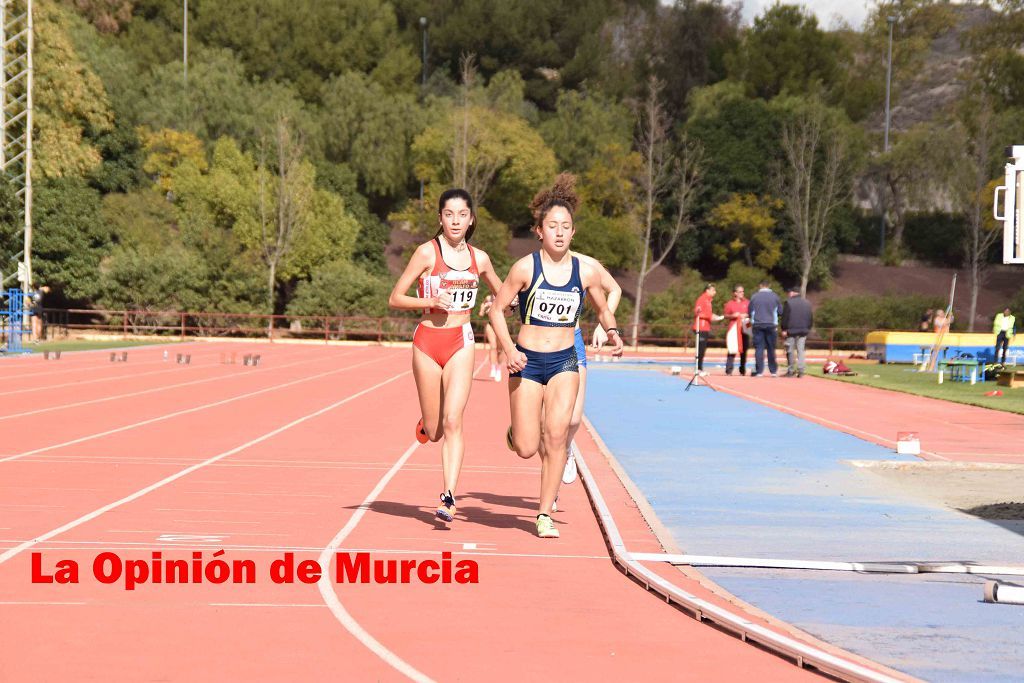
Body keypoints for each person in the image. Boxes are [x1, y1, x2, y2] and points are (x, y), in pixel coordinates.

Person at [489, 174, 623, 538]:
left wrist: (611, 331)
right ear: (539, 231)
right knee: (528, 447)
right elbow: (496, 311)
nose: (559, 233)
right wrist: (509, 349)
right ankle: (517, 432)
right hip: (527, 362)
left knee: (557, 436)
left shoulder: (585, 270)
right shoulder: (525, 268)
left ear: (573, 232)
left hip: (565, 361)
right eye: (552, 226)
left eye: (565, 226)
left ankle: (543, 513)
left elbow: (602, 305)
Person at [388, 189, 506, 524]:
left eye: (462, 215)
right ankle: (427, 423)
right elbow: (395, 297)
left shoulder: (479, 259)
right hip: (427, 342)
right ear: (440, 218)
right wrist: (428, 304)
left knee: (455, 421)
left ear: (471, 220)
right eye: (449, 214)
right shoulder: (427, 252)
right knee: (437, 429)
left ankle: (448, 496)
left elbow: (503, 293)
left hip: (461, 340)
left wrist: (512, 302)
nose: (455, 221)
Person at [562, 253, 622, 485]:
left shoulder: (586, 264)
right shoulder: (534, 263)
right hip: (541, 343)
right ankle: (550, 485)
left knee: (574, 418)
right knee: (548, 422)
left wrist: (604, 325)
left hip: (573, 340)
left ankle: (567, 447)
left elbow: (615, 289)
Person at [747, 280, 781, 377]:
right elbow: (780, 311)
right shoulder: (775, 296)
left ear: (760, 285)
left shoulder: (754, 296)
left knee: (759, 348)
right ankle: (773, 371)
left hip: (758, 324)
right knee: (771, 348)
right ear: (769, 285)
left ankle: (759, 371)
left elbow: (750, 311)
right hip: (771, 324)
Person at [781, 286, 813, 378]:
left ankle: (791, 371)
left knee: (790, 350)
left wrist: (784, 329)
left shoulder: (788, 303)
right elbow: (810, 318)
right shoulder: (807, 303)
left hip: (791, 331)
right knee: (801, 351)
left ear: (792, 292)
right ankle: (801, 370)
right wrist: (808, 328)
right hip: (803, 330)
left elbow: (785, 318)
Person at [693, 284, 724, 375]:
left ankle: (700, 368)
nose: (715, 292)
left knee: (703, 348)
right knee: (700, 349)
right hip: (701, 327)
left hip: (705, 327)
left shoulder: (708, 301)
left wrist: (715, 316)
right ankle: (698, 369)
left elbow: (707, 313)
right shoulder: (702, 299)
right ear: (707, 290)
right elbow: (698, 313)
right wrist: (710, 316)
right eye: (713, 290)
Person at [723, 285, 751, 376]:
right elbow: (725, 315)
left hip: (745, 327)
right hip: (734, 329)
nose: (742, 293)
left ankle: (742, 369)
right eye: (740, 292)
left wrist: (746, 315)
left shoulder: (747, 302)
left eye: (743, 291)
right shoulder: (730, 303)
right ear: (735, 293)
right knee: (732, 349)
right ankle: (729, 369)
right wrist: (733, 315)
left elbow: (751, 313)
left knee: (744, 349)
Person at [479, 294, 503, 382]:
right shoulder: (488, 298)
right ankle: (493, 368)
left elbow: (508, 310)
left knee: (500, 349)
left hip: (501, 325)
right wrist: (482, 310)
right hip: (490, 324)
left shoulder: (503, 296)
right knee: (493, 346)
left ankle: (499, 369)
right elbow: (483, 304)